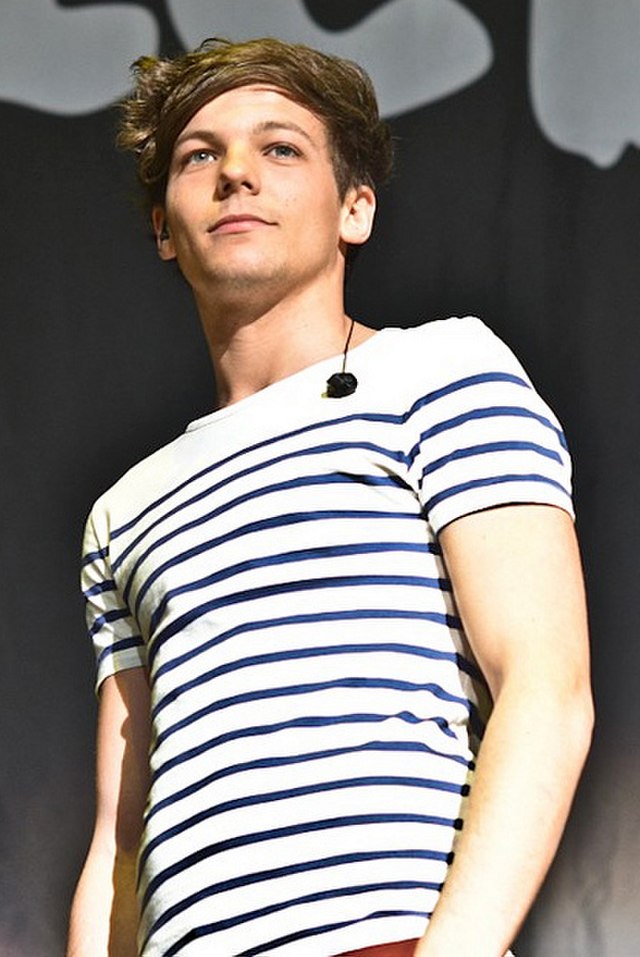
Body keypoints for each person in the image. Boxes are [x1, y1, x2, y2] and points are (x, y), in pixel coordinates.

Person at [66, 37, 593, 957]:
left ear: (356, 207)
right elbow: (122, 829)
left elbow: (545, 686)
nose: (236, 173)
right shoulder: (123, 508)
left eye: (280, 148)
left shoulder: (441, 368)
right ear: (163, 229)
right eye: (200, 155)